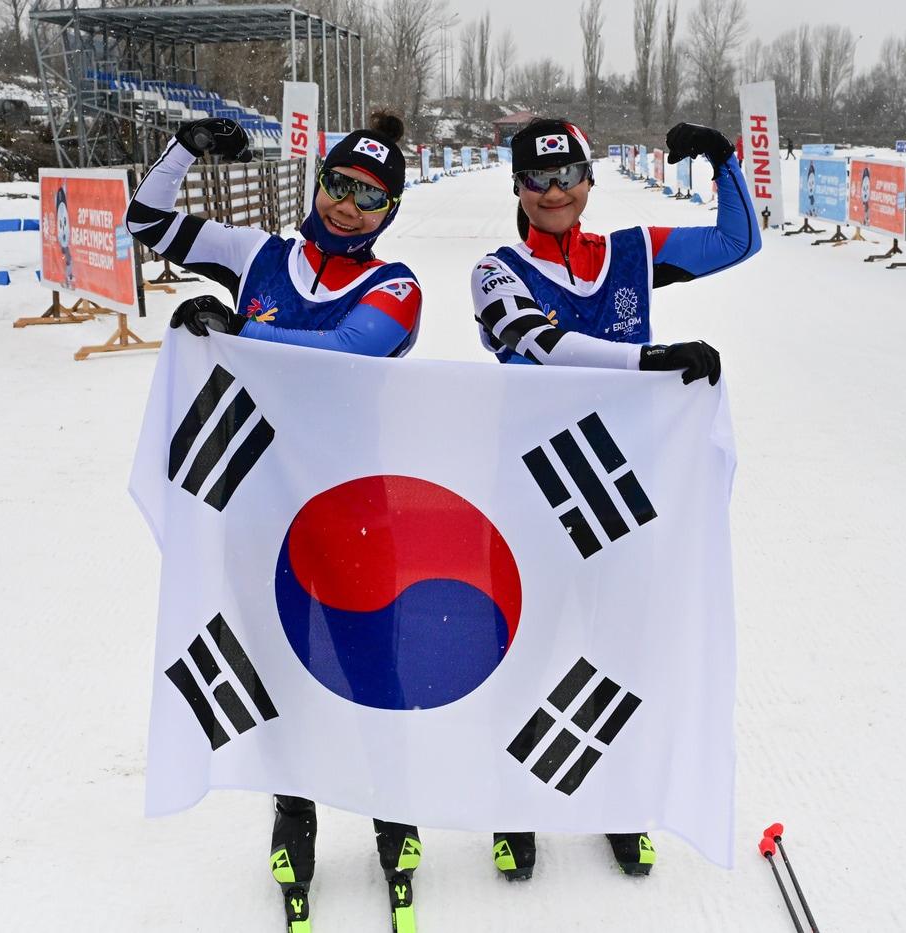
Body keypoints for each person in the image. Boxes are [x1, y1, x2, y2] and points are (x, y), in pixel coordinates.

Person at [126, 110, 424, 933]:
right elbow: (145, 222)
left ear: (390, 210)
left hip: (358, 515)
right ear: (318, 181)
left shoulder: (396, 285)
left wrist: (239, 329)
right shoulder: (256, 254)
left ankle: (394, 813)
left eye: (370, 196)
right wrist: (182, 147)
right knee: (284, 671)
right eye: (338, 185)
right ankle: (294, 811)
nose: (347, 207)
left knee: (373, 674)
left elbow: (349, 349)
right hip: (262, 509)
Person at [469, 117, 760, 880]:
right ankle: (514, 807)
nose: (556, 191)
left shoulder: (631, 253)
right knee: (522, 654)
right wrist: (649, 359)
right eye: (538, 178)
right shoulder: (496, 269)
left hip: (617, 496)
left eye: (568, 175)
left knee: (617, 656)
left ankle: (615, 802)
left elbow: (739, 242)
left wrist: (723, 160)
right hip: (528, 492)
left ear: (591, 181)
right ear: (518, 189)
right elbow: (535, 339)